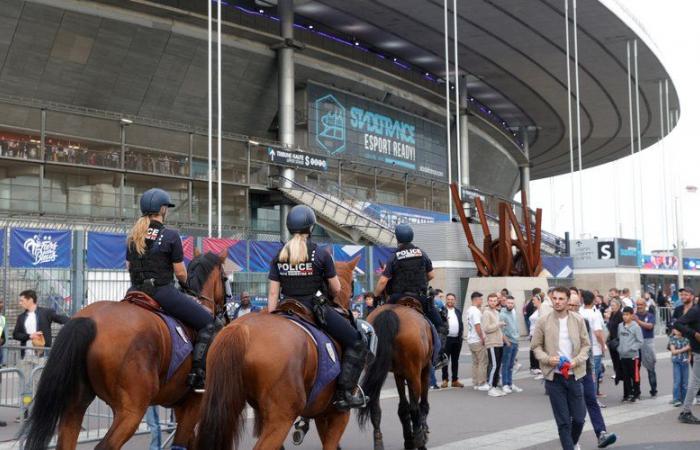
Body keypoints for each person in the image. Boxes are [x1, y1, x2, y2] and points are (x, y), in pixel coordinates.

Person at [268, 205, 367, 410]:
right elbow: (336, 288)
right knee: (357, 341)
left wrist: (271, 318)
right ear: (311, 228)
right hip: (313, 309)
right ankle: (344, 393)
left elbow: (272, 294)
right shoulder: (321, 255)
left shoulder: (280, 255)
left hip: (285, 307)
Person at [126, 188, 220, 392]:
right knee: (209, 323)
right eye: (166, 208)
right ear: (162, 209)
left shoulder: (133, 236)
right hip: (161, 292)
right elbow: (180, 272)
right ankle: (198, 374)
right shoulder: (170, 235)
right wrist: (187, 285)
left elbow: (128, 266)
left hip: (134, 291)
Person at [372, 223, 448, 369]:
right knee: (440, 324)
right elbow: (431, 274)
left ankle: (374, 355)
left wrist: (376, 295)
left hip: (396, 298)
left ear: (397, 239)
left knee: (377, 322)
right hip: (419, 298)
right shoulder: (421, 253)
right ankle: (438, 356)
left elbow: (383, 281)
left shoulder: (394, 256)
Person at [531, 286, 590, 450]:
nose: (557, 302)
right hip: (554, 378)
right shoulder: (543, 320)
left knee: (579, 418)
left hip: (574, 375)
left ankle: (571, 442)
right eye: (554, 298)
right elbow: (535, 346)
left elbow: (586, 345)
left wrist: (576, 361)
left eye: (561, 299)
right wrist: (548, 359)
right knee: (563, 421)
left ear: (568, 300)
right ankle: (569, 447)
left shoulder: (578, 320)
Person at [567, 295, 617, 449]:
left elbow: (587, 346)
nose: (572, 308)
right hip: (566, 371)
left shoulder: (584, 322)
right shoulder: (557, 323)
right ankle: (571, 439)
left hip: (584, 369)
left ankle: (601, 433)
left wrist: (591, 369)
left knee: (591, 400)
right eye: (570, 305)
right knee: (573, 409)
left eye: (575, 305)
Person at [672, 289, 700, 424]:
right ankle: (686, 412)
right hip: (699, 351)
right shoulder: (696, 310)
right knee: (695, 382)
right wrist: (694, 334)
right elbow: (677, 323)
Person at [13, 289, 69, 356]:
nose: (20, 303)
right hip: (25, 355)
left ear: (30, 300)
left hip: (43, 355)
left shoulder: (46, 313)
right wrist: (30, 336)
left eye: (22, 301)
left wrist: (76, 320)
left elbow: (61, 319)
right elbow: (15, 334)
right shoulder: (21, 317)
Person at [580, 290, 607, 401]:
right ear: (592, 300)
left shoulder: (580, 312)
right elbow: (598, 333)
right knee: (594, 375)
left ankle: (585, 397)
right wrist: (603, 345)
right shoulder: (594, 314)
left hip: (582, 348)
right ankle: (593, 398)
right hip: (594, 349)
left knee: (584, 374)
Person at [482, 293, 505, 397]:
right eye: (490, 300)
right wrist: (498, 324)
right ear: (488, 301)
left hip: (499, 342)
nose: (493, 302)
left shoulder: (496, 312)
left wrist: (501, 326)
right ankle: (491, 387)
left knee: (498, 365)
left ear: (497, 301)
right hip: (491, 343)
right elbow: (486, 328)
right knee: (494, 365)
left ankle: (495, 386)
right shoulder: (486, 313)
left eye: (495, 300)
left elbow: (496, 327)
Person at [618, 306, 643, 402]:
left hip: (633, 357)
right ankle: (628, 394)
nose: (625, 317)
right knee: (626, 376)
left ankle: (636, 394)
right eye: (623, 314)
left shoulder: (636, 327)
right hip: (623, 356)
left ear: (632, 315)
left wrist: (631, 348)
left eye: (627, 315)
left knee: (635, 376)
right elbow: (619, 339)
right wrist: (619, 348)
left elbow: (640, 341)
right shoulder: (620, 326)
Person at [634, 298, 657, 398]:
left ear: (645, 305)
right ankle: (637, 391)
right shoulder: (633, 315)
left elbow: (650, 326)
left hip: (647, 342)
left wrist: (637, 321)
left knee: (650, 368)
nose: (639, 306)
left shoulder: (650, 315)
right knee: (636, 369)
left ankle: (653, 389)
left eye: (641, 304)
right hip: (635, 343)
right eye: (638, 304)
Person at [466, 292, 489, 391]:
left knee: (475, 362)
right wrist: (482, 337)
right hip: (477, 339)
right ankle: (481, 383)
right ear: (476, 299)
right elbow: (477, 325)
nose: (482, 301)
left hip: (471, 340)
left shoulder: (469, 310)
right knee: (482, 362)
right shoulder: (475, 311)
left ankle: (475, 382)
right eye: (481, 299)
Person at [441, 293, 464, 388]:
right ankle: (445, 380)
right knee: (445, 360)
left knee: (455, 360)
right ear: (446, 300)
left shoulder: (458, 311)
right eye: (448, 299)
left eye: (452, 299)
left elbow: (461, 324)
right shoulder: (442, 311)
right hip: (446, 339)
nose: (450, 301)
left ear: (455, 301)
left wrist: (461, 335)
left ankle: (455, 380)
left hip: (457, 339)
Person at [500, 296, 522, 394]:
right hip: (508, 343)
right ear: (505, 303)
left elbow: (515, 326)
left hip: (515, 342)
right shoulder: (502, 314)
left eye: (512, 303)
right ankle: (505, 384)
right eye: (508, 303)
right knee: (506, 364)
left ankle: (510, 383)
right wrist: (507, 341)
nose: (510, 304)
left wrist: (517, 340)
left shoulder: (513, 312)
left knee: (511, 365)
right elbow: (501, 330)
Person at [669, 328, 691, 407]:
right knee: (677, 381)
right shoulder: (672, 339)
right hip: (677, 362)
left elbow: (689, 351)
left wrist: (689, 358)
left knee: (685, 382)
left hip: (685, 362)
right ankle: (676, 399)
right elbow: (673, 351)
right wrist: (685, 348)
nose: (677, 331)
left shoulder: (686, 339)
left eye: (679, 330)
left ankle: (684, 398)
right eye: (676, 330)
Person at [606, 298, 624, 386]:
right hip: (612, 340)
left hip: (617, 340)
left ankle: (620, 374)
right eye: (611, 305)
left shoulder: (620, 315)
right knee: (614, 359)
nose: (612, 307)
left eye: (613, 305)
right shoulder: (612, 314)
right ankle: (617, 374)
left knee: (618, 359)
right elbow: (610, 326)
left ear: (618, 306)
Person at [528, 294, 543, 379]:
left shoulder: (541, 310)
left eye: (534, 300)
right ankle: (535, 367)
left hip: (536, 334)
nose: (533, 301)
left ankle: (540, 369)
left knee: (537, 352)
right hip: (532, 333)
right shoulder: (536, 310)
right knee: (533, 351)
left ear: (539, 300)